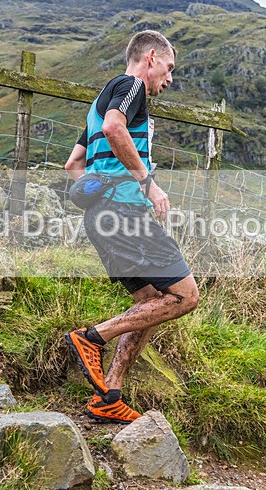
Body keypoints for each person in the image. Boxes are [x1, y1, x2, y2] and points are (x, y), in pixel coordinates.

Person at [63, 30, 200, 424]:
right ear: (151, 57)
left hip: (101, 218)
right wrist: (145, 182)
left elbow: (74, 167)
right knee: (185, 296)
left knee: (150, 301)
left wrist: (100, 194)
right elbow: (114, 129)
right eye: (169, 68)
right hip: (125, 215)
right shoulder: (130, 86)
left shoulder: (95, 104)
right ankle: (92, 338)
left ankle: (111, 393)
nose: (169, 79)